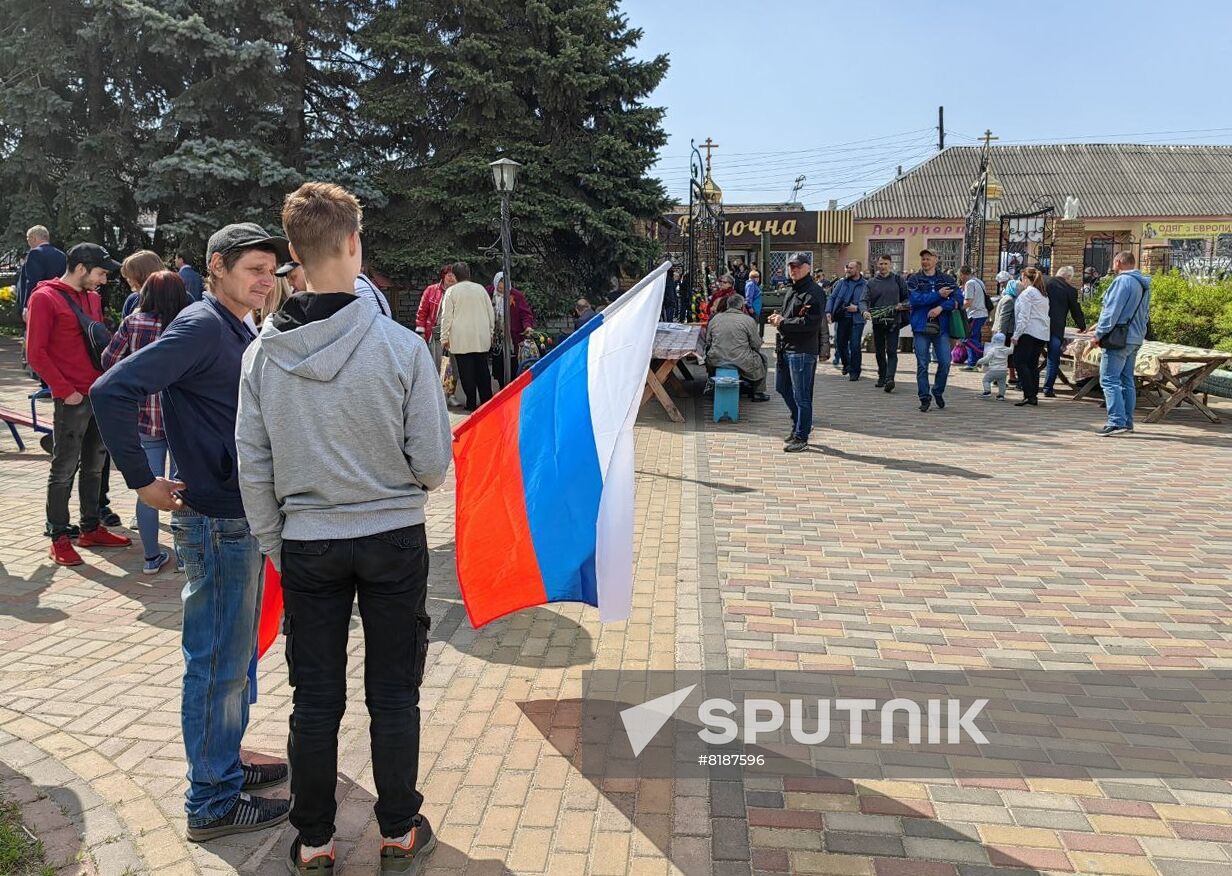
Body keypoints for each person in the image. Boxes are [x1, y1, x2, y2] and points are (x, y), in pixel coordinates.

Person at [236, 183, 450, 874]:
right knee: (394, 691)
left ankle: (316, 840)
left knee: (315, 696)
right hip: (391, 537)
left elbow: (254, 465)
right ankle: (397, 828)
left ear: (292, 255)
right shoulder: (402, 348)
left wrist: (278, 542)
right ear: (354, 244)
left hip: (307, 543)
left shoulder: (262, 356)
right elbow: (432, 464)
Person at [91, 223, 293, 841]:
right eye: (253, 269)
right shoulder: (203, 324)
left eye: (270, 271)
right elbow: (111, 388)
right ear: (217, 268)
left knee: (235, 660)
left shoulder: (236, 325)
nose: (265, 281)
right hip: (216, 519)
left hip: (241, 515)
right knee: (217, 663)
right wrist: (142, 479)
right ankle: (210, 801)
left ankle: (224, 764)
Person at [26, 243, 133, 566]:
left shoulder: (93, 298)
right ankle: (58, 536)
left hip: (97, 394)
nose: (102, 280)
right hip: (71, 398)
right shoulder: (44, 298)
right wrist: (63, 390)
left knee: (95, 465)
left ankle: (90, 527)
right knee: (63, 468)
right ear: (82, 267)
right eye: (100, 273)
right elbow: (36, 352)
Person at [100, 270, 192, 573]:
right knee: (183, 487)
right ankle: (185, 556)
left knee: (148, 487)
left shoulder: (133, 322)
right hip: (180, 417)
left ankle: (152, 557)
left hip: (144, 416)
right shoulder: (187, 324)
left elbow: (108, 360)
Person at [1091, 251, 1151, 436]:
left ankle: (1116, 421)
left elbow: (1112, 311)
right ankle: (1127, 421)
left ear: (1118, 262)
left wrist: (1098, 334)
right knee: (1127, 381)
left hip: (1120, 338)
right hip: (1135, 337)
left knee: (1109, 379)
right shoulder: (1143, 283)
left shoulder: (1123, 282)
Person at [768, 252, 824, 452]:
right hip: (786, 347)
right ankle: (801, 421)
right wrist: (779, 317)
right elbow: (790, 315)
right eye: (791, 266)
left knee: (802, 396)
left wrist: (784, 322)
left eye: (798, 266)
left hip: (802, 350)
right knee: (781, 387)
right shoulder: (792, 289)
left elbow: (811, 323)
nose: (794, 270)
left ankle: (801, 435)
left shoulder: (814, 291)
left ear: (808, 267)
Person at [907, 248, 962, 412]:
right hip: (920, 326)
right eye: (923, 259)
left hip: (942, 328)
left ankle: (938, 391)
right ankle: (924, 397)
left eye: (928, 258)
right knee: (923, 364)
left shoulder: (947, 279)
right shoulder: (914, 279)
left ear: (936, 260)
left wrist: (940, 307)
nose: (925, 261)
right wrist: (938, 295)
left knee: (945, 362)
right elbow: (915, 300)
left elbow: (958, 299)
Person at [439, 261, 495, 411]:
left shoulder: (452, 292)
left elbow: (446, 317)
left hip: (460, 339)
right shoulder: (481, 289)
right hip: (481, 337)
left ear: (455, 276)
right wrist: (491, 332)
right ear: (469, 274)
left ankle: (471, 403)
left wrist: (444, 338)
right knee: (483, 370)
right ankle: (487, 401)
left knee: (466, 373)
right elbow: (491, 312)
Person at [704, 292, 770, 401]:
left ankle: (712, 384)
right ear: (741, 306)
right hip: (741, 361)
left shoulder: (715, 319)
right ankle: (758, 392)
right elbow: (756, 344)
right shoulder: (748, 320)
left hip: (716, 360)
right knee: (763, 358)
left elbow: (708, 341)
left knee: (710, 354)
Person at [1041, 266, 1087, 397]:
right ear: (1068, 278)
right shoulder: (1070, 290)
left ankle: (1023, 383)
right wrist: (1082, 327)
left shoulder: (1044, 282)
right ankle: (1048, 388)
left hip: (1038, 326)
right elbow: (1076, 311)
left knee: (1033, 355)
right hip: (1056, 328)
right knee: (1053, 357)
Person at [865, 255, 908, 391]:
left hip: (894, 321)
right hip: (878, 321)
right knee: (879, 351)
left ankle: (890, 378)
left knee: (891, 350)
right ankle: (882, 375)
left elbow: (907, 298)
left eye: (886, 264)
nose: (883, 266)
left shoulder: (898, 280)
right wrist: (864, 311)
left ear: (890, 264)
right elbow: (863, 300)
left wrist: (903, 305)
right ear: (877, 265)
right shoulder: (871, 283)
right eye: (881, 263)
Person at [1010, 267, 1050, 407]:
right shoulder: (1042, 294)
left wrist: (1016, 335)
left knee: (1020, 362)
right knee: (1032, 364)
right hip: (1041, 333)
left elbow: (1024, 316)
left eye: (1022, 279)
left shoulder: (1027, 294)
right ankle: (1033, 394)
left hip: (1028, 332)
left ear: (1026, 279)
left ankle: (1029, 394)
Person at [488, 272, 534, 387]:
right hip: (495, 335)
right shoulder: (488, 293)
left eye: (504, 286)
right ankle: (501, 387)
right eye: (499, 286)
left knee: (513, 363)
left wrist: (527, 326)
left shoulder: (516, 295)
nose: (501, 289)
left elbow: (525, 314)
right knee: (498, 363)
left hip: (512, 336)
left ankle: (512, 388)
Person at [826, 260, 868, 381]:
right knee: (840, 344)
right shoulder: (841, 283)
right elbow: (832, 297)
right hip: (842, 317)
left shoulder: (865, 284)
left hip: (857, 320)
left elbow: (870, 302)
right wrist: (828, 311)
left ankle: (855, 371)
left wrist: (858, 308)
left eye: (851, 268)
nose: (848, 270)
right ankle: (847, 364)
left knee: (855, 345)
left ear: (858, 269)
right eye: (847, 267)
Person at [17, 225, 66, 322]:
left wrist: (27, 306)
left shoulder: (35, 253)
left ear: (34, 238)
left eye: (28, 238)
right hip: (59, 302)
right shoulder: (62, 255)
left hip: (39, 303)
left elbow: (33, 281)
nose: (28, 242)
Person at [415, 264, 455, 370]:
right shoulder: (431, 290)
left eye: (454, 276)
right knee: (436, 365)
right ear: (443, 276)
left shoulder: (458, 292)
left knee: (451, 370)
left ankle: (449, 387)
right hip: (436, 334)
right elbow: (422, 312)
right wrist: (421, 332)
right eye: (449, 275)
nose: (452, 278)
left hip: (454, 335)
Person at [992, 270, 1019, 385]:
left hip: (1006, 331)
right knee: (1004, 357)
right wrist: (1000, 336)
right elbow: (1003, 319)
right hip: (1006, 332)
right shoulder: (1009, 300)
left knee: (1005, 357)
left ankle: (1009, 377)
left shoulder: (1008, 297)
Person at [120, 250, 166, 318]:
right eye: (127, 277)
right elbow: (123, 327)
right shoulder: (132, 300)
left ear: (143, 275)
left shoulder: (179, 297)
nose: (128, 280)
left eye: (131, 276)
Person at [959, 265, 988, 369]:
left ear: (962, 275)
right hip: (982, 313)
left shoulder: (969, 283)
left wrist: (958, 309)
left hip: (975, 314)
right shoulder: (979, 281)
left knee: (967, 339)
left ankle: (986, 352)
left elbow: (968, 302)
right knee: (975, 337)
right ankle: (972, 363)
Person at [976, 332, 1012, 399]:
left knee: (986, 380)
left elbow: (987, 359)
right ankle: (1001, 396)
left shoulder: (993, 350)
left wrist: (979, 361)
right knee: (1002, 383)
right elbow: (1011, 350)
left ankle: (987, 392)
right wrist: (1012, 343)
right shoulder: (1006, 349)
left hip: (994, 370)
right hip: (1003, 371)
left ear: (994, 340)